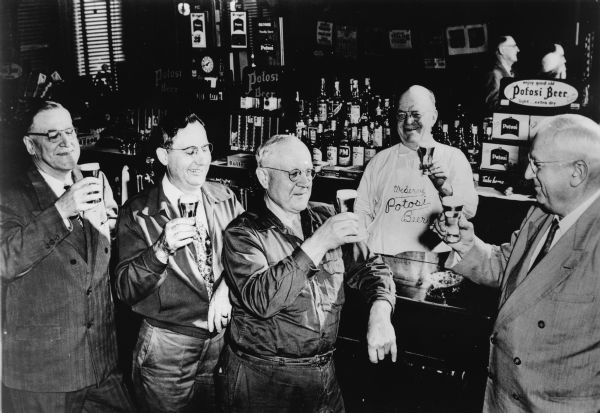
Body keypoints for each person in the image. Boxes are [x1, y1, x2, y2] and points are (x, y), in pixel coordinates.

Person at [433, 114, 600, 412]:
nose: (525, 174)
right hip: (503, 400)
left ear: (577, 172)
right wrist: (465, 244)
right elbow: (505, 268)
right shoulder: (541, 214)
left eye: (536, 164)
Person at [219, 135, 397, 412]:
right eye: (293, 173)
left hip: (323, 375)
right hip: (264, 381)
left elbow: (372, 268)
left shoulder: (326, 216)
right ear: (264, 178)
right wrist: (320, 242)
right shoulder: (243, 234)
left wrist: (381, 312)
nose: (304, 181)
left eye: (309, 171)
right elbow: (261, 300)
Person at [0, 100, 134, 412]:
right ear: (30, 145)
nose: (66, 142)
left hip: (101, 365)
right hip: (44, 375)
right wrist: (61, 210)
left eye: (70, 131)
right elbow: (6, 261)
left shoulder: (92, 181)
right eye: (53, 135)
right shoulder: (11, 195)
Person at [115, 109, 244, 413]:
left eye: (205, 148)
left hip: (222, 345)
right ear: (163, 155)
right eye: (189, 151)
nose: (201, 159)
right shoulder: (137, 212)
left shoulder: (226, 197)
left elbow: (249, 257)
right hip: (167, 350)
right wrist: (159, 250)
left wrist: (226, 286)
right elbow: (125, 289)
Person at [355, 85, 478, 256]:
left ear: (433, 117)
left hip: (433, 264)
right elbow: (361, 210)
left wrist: (446, 190)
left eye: (416, 114)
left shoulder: (453, 157)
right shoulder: (380, 160)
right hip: (381, 263)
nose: (408, 121)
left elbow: (470, 211)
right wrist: (366, 254)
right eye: (401, 115)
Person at [484, 35, 520, 111]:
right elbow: (494, 105)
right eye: (514, 46)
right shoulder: (495, 74)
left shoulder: (512, 72)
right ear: (502, 50)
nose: (518, 50)